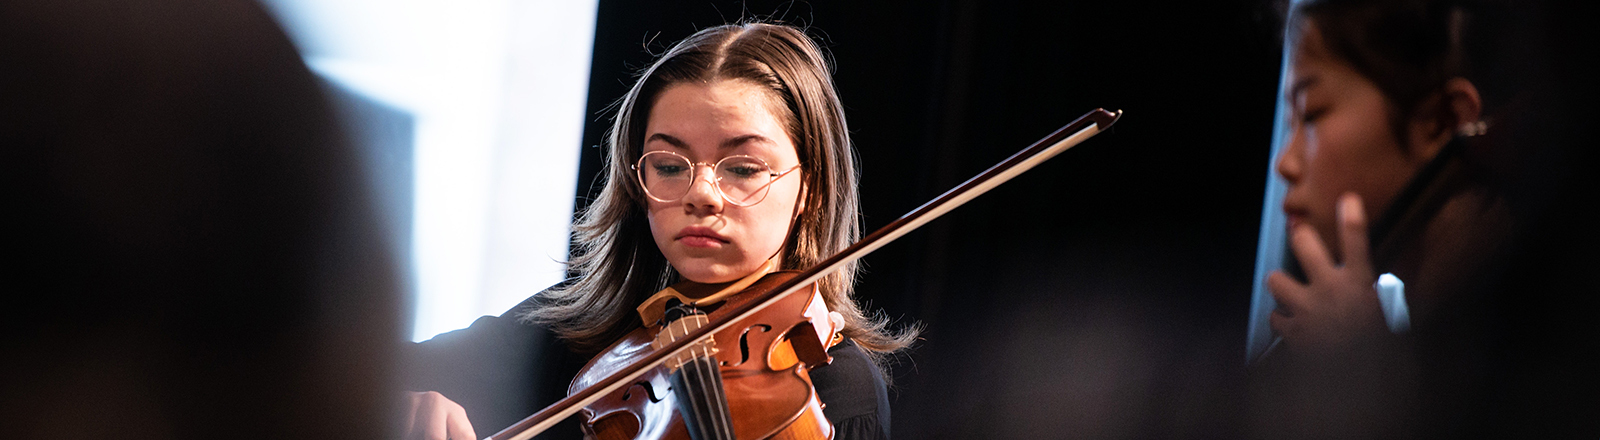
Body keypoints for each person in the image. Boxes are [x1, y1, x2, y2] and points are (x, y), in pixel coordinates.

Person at [402, 22, 915, 440]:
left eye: (743, 168)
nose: (702, 194)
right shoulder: (583, 332)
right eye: (670, 165)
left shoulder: (835, 389)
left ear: (811, 190)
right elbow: (345, 373)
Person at [1253, 0, 1600, 437]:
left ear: (1446, 119)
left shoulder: (1555, 343)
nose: (1284, 163)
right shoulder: (1414, 323)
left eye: (1312, 113)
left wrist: (1368, 376)